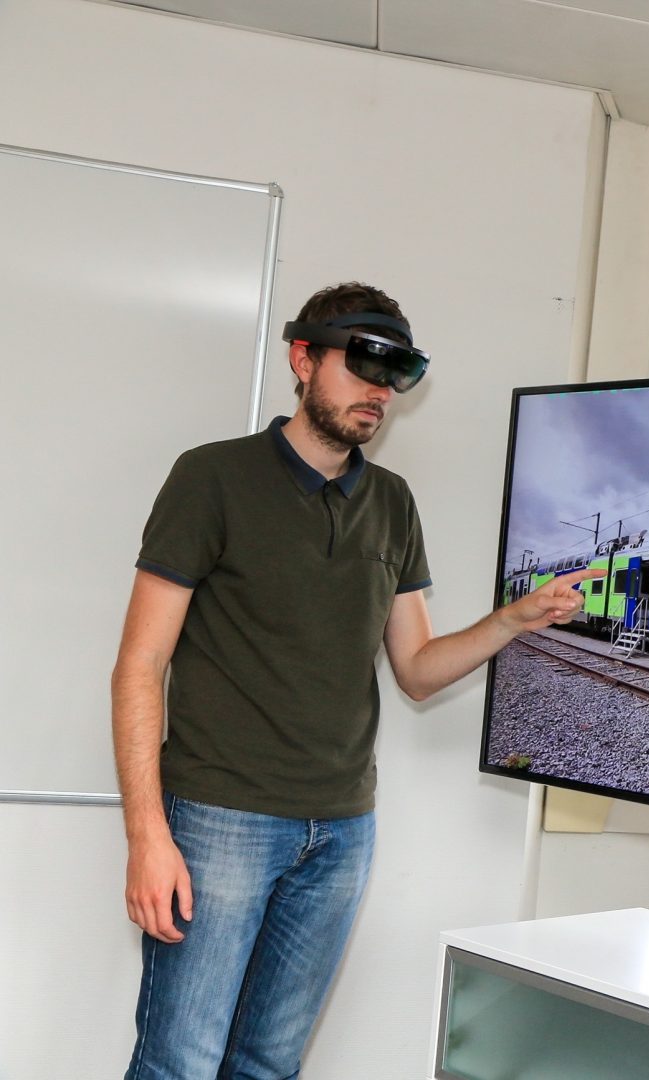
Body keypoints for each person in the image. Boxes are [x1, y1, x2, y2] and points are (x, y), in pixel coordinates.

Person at [112, 281, 601, 1079]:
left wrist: (513, 621)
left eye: (396, 373)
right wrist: (147, 837)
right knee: (180, 1063)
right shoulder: (211, 478)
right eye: (363, 364)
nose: (380, 389)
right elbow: (139, 666)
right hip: (220, 821)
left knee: (270, 1064)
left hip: (342, 831)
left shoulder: (392, 503)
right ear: (303, 359)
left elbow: (417, 669)